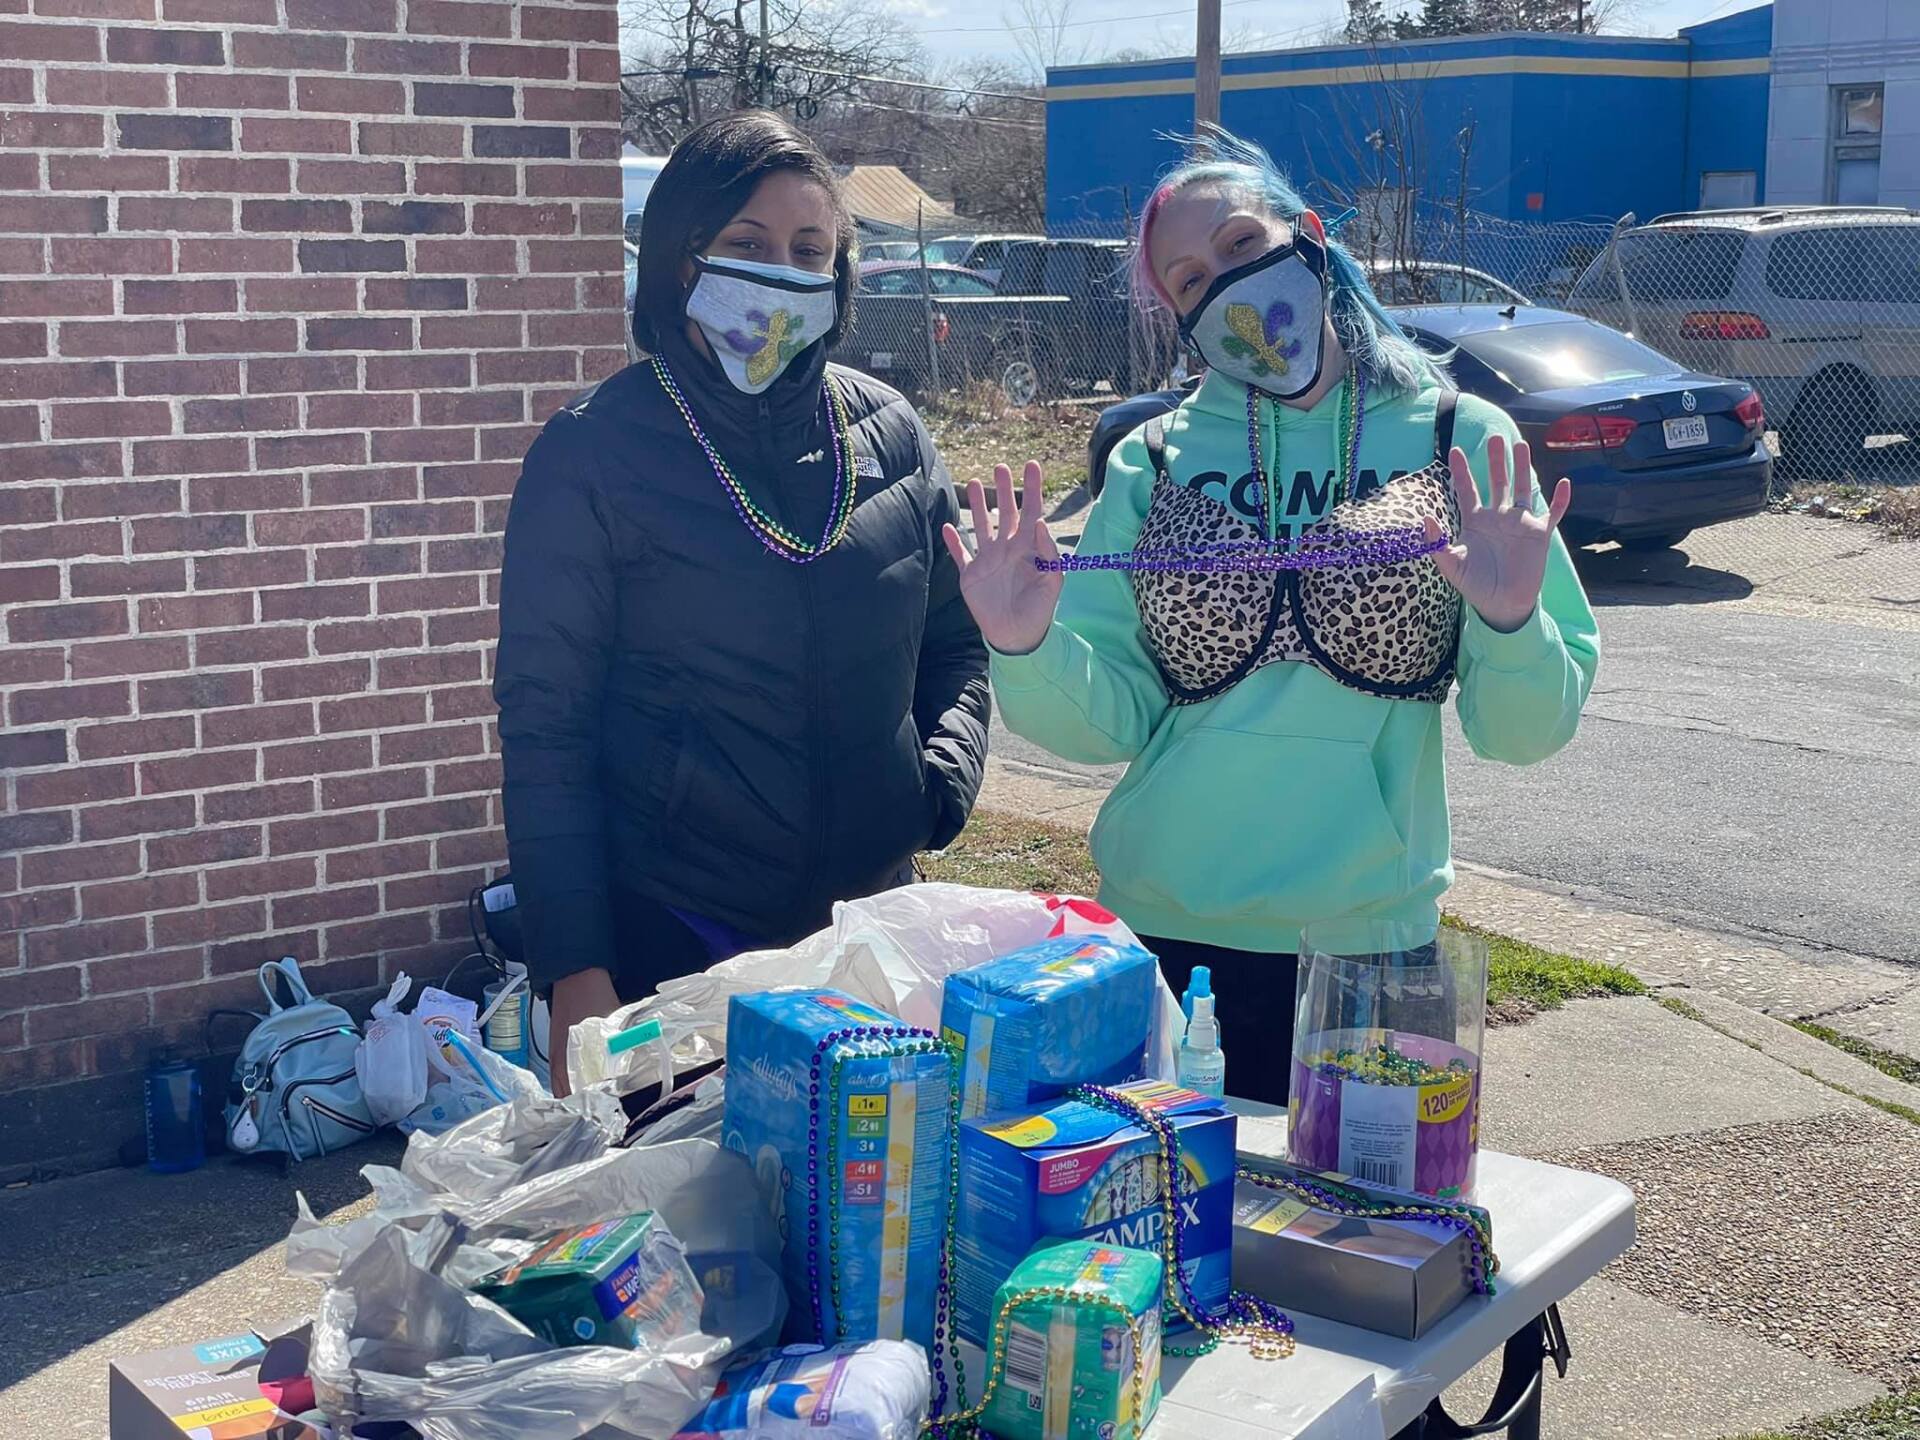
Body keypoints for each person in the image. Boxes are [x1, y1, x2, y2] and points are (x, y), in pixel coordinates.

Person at [944, 132, 1599, 1106]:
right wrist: (1023, 644)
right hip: (1161, 934)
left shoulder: (1458, 435)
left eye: (1244, 245)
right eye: (1191, 276)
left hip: (1364, 952)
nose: (1227, 282)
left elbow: (1522, 734)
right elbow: (1108, 723)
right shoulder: (1156, 458)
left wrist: (1510, 625)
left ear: (1311, 237)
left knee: (1363, 1246)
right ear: (1175, 314)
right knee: (1158, 1244)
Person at [496, 112, 990, 1097]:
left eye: (811, 250)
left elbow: (956, 644)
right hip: (678, 944)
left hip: (865, 947)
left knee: (870, 1228)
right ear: (683, 260)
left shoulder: (890, 434)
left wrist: (937, 783)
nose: (783, 272)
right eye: (747, 246)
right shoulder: (593, 456)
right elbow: (546, 729)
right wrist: (573, 967)